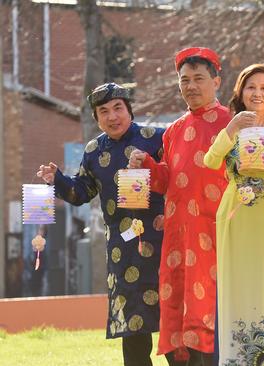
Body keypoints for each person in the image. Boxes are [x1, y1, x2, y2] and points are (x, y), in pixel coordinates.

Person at [37, 82, 165, 366]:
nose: (112, 116)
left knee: (172, 331)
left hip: (163, 245)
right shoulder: (94, 150)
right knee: (133, 334)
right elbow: (81, 192)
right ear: (96, 118)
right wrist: (57, 180)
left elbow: (179, 183)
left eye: (118, 108)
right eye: (103, 111)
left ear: (129, 110)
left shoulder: (157, 138)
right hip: (123, 251)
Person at [129, 47, 230, 365]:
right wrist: (144, 163)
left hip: (215, 234)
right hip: (177, 237)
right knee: (176, 313)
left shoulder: (232, 123)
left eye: (199, 78)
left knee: (210, 316)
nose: (191, 86)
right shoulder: (172, 131)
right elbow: (165, 181)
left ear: (216, 81)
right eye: (184, 80)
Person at [203, 63, 264, 365]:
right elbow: (210, 161)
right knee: (237, 289)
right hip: (236, 219)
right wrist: (231, 129)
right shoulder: (232, 129)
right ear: (240, 93)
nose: (257, 93)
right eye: (251, 87)